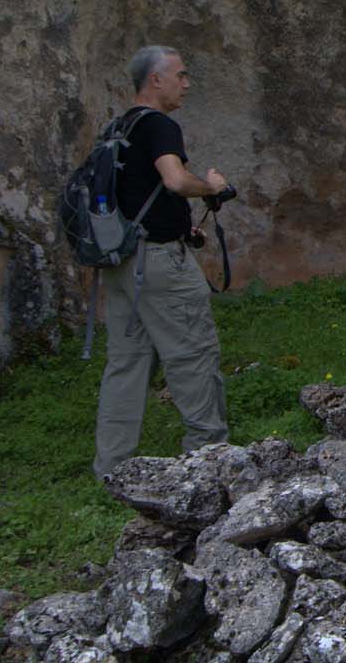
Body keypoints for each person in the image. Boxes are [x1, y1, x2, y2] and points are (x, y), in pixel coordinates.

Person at [93, 45, 231, 480]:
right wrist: (210, 187)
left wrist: (183, 229)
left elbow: (134, 198)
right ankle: (209, 459)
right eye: (181, 75)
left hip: (120, 264)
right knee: (193, 353)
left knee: (126, 362)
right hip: (158, 265)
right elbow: (173, 180)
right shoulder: (159, 125)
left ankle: (112, 468)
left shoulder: (116, 128)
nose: (186, 84)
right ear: (156, 80)